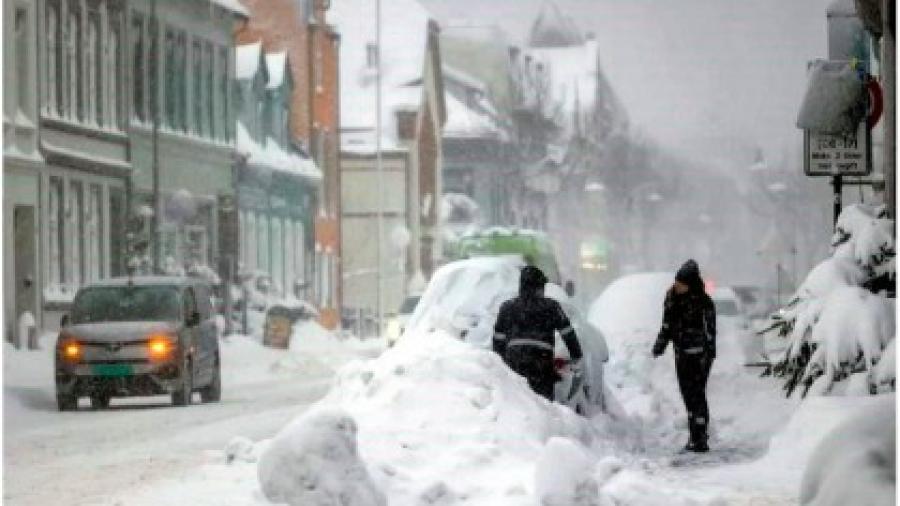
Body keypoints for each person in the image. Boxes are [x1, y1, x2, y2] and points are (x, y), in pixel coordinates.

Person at [652, 259, 716, 453]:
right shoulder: (672, 299)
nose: (677, 286)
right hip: (682, 355)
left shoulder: (704, 302)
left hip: (700, 356)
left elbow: (711, 331)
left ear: (690, 284)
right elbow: (667, 325)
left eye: (681, 283)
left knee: (697, 394)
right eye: (677, 282)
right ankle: (695, 435)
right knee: (689, 395)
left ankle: (700, 437)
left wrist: (710, 354)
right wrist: (660, 345)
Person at [493, 266, 583, 401]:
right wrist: (577, 355)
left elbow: (498, 340)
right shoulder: (551, 306)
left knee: (516, 401)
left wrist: (501, 363)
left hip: (515, 360)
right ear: (539, 287)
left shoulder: (507, 307)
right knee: (543, 404)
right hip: (541, 361)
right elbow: (568, 334)